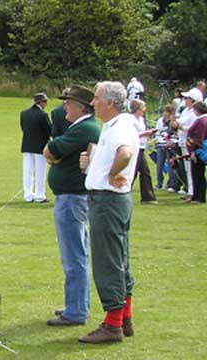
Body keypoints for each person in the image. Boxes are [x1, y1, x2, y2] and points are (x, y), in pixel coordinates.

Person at [79, 81, 139, 344]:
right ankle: (124, 317)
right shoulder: (115, 125)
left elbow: (125, 153)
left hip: (108, 202)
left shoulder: (120, 127)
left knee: (108, 262)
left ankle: (112, 324)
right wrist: (91, 165)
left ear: (111, 103)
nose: (93, 103)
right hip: (112, 201)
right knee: (120, 258)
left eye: (97, 98)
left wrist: (113, 173)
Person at [44, 85, 100, 326]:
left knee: (73, 256)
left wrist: (55, 155)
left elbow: (50, 150)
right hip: (72, 198)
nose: (64, 106)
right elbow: (53, 153)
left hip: (72, 199)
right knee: (76, 254)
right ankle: (75, 305)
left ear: (80, 107)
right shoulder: (81, 127)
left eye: (68, 103)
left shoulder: (84, 128)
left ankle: (76, 311)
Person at [20, 92, 52, 203]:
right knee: (40, 172)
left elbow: (23, 128)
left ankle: (28, 195)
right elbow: (48, 130)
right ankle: (40, 195)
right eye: (45, 102)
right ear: (41, 102)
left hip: (27, 145)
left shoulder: (24, 113)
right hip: (40, 146)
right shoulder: (43, 115)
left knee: (27, 171)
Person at [170, 88, 199, 198]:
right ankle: (190, 190)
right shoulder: (186, 111)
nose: (185, 100)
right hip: (182, 140)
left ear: (192, 100)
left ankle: (193, 192)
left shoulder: (194, 113)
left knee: (191, 168)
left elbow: (192, 128)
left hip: (189, 142)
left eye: (187, 98)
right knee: (187, 169)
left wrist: (179, 126)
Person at [130, 99, 158, 204]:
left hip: (141, 147)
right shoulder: (130, 120)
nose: (144, 110)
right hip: (134, 147)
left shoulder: (141, 119)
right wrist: (145, 133)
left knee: (145, 172)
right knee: (133, 172)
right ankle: (124, 192)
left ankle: (148, 197)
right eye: (142, 108)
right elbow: (131, 134)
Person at [187, 101, 207, 204]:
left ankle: (199, 197)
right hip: (200, 149)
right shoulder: (203, 120)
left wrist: (193, 151)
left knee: (197, 174)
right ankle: (197, 196)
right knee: (198, 174)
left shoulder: (201, 121)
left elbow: (198, 138)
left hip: (199, 151)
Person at [155, 104, 177, 191]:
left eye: (167, 112)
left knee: (171, 166)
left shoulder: (173, 122)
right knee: (159, 166)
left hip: (170, 146)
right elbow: (158, 132)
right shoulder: (160, 121)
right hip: (161, 145)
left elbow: (173, 134)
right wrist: (160, 141)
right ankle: (159, 183)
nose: (165, 113)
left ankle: (170, 184)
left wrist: (168, 142)